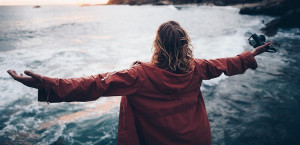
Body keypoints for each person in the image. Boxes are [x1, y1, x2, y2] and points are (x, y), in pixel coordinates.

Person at [7, 21, 272, 145]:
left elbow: (94, 85)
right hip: (198, 139)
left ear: (157, 45)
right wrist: (251, 55)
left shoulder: (138, 76)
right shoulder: (196, 68)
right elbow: (227, 63)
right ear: (184, 45)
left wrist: (47, 84)